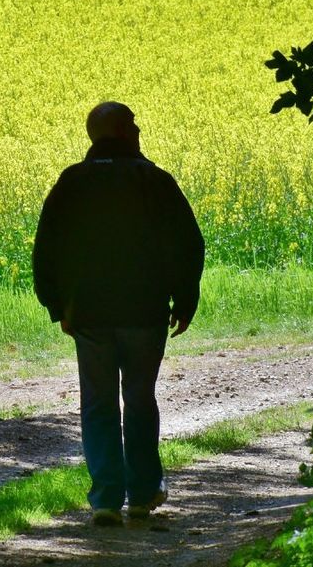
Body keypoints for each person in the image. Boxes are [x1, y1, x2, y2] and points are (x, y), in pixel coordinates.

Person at [32, 101, 205, 526]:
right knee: (140, 399)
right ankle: (144, 493)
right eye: (134, 122)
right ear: (125, 132)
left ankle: (106, 498)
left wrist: (58, 307)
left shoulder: (72, 182)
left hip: (88, 313)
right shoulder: (155, 181)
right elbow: (187, 246)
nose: (139, 127)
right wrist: (184, 301)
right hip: (144, 312)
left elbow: (47, 249)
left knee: (98, 404)